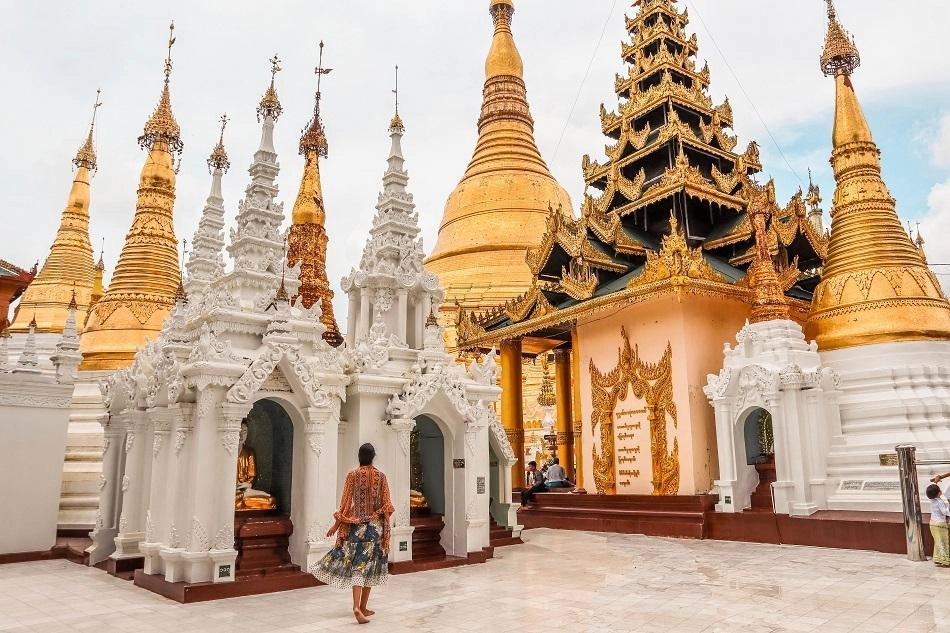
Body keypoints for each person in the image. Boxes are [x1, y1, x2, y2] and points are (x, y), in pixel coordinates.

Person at [312, 443, 395, 624]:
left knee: (358, 565)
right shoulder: (381, 477)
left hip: (355, 529)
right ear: (373, 456)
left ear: (359, 456)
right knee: (370, 567)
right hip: (375, 529)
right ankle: (361, 607)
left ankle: (358, 607)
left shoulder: (352, 475)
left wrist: (336, 525)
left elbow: (344, 504)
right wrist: (384, 528)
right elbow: (387, 505)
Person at [927, 482, 950, 567]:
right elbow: (945, 512)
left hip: (932, 523)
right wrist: (948, 507)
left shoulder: (932, 500)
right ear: (938, 493)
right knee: (944, 542)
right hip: (940, 524)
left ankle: (937, 559)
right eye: (939, 490)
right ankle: (945, 561)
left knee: (938, 541)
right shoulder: (940, 501)